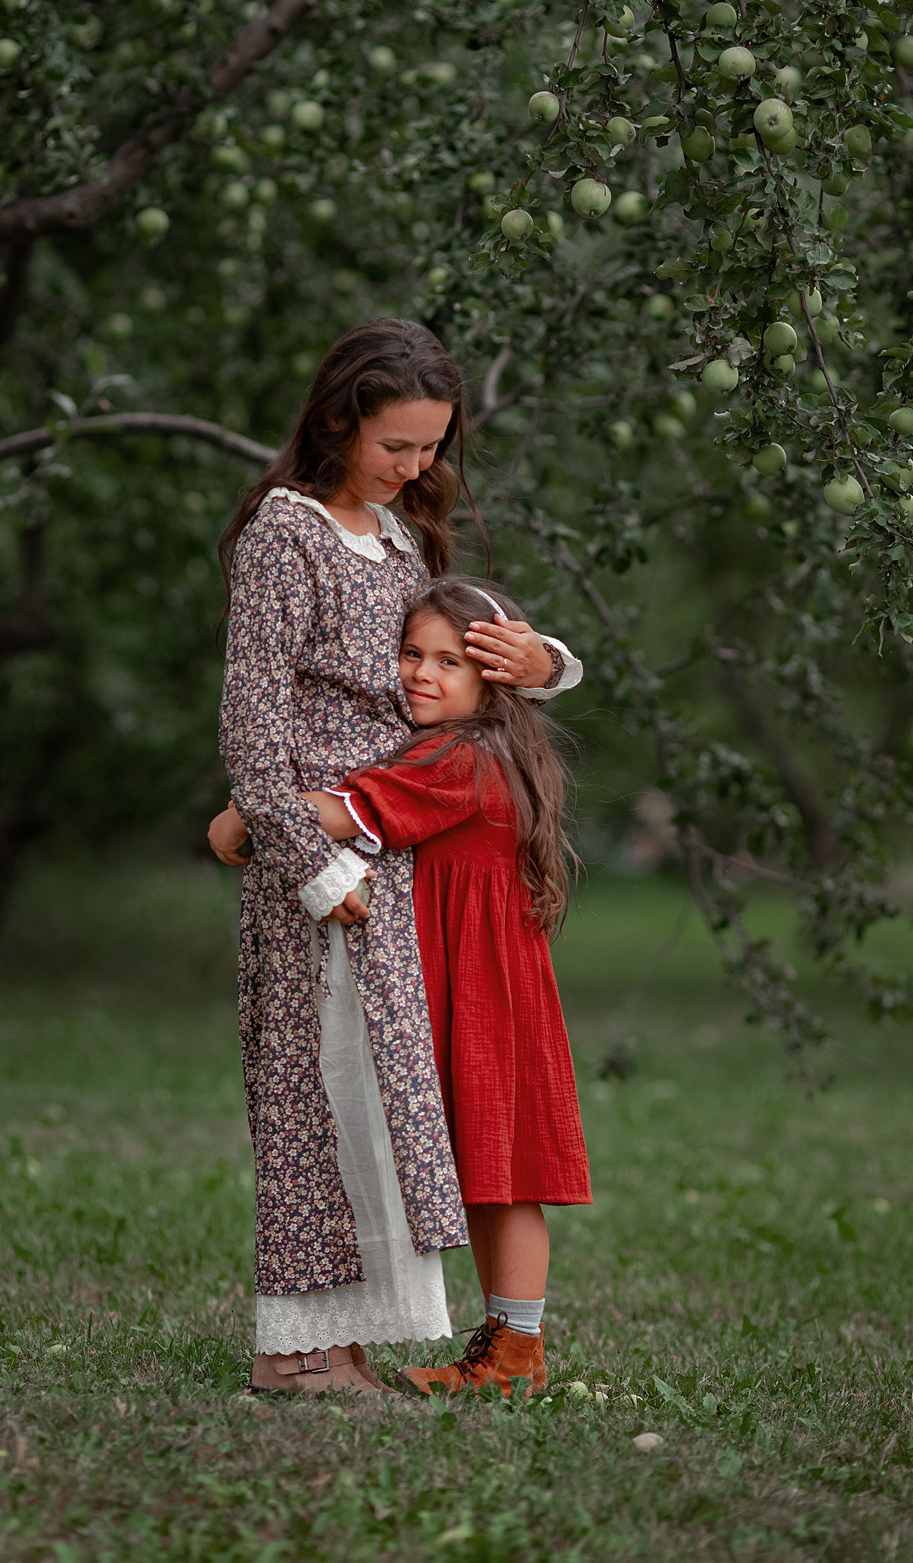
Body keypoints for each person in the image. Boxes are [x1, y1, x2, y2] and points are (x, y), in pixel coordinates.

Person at [208, 318, 582, 1395]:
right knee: (312, 1096)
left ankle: (346, 1340)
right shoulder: (288, 535)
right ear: (336, 418)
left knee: (371, 1108)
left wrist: (545, 661)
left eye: (431, 448)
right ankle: (300, 1354)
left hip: (389, 852)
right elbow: (251, 726)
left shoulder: (400, 537)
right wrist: (303, 860)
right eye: (396, 446)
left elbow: (465, 662)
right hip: (324, 869)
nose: (418, 468)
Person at [301, 575, 592, 1401]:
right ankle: (514, 1353)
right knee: (502, 1176)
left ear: (490, 678)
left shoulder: (456, 755)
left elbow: (354, 809)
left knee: (502, 1176)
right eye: (410, 654)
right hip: (502, 984)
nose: (421, 675)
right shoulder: (497, 747)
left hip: (476, 987)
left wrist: (250, 811)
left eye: (449, 662)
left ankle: (511, 1356)